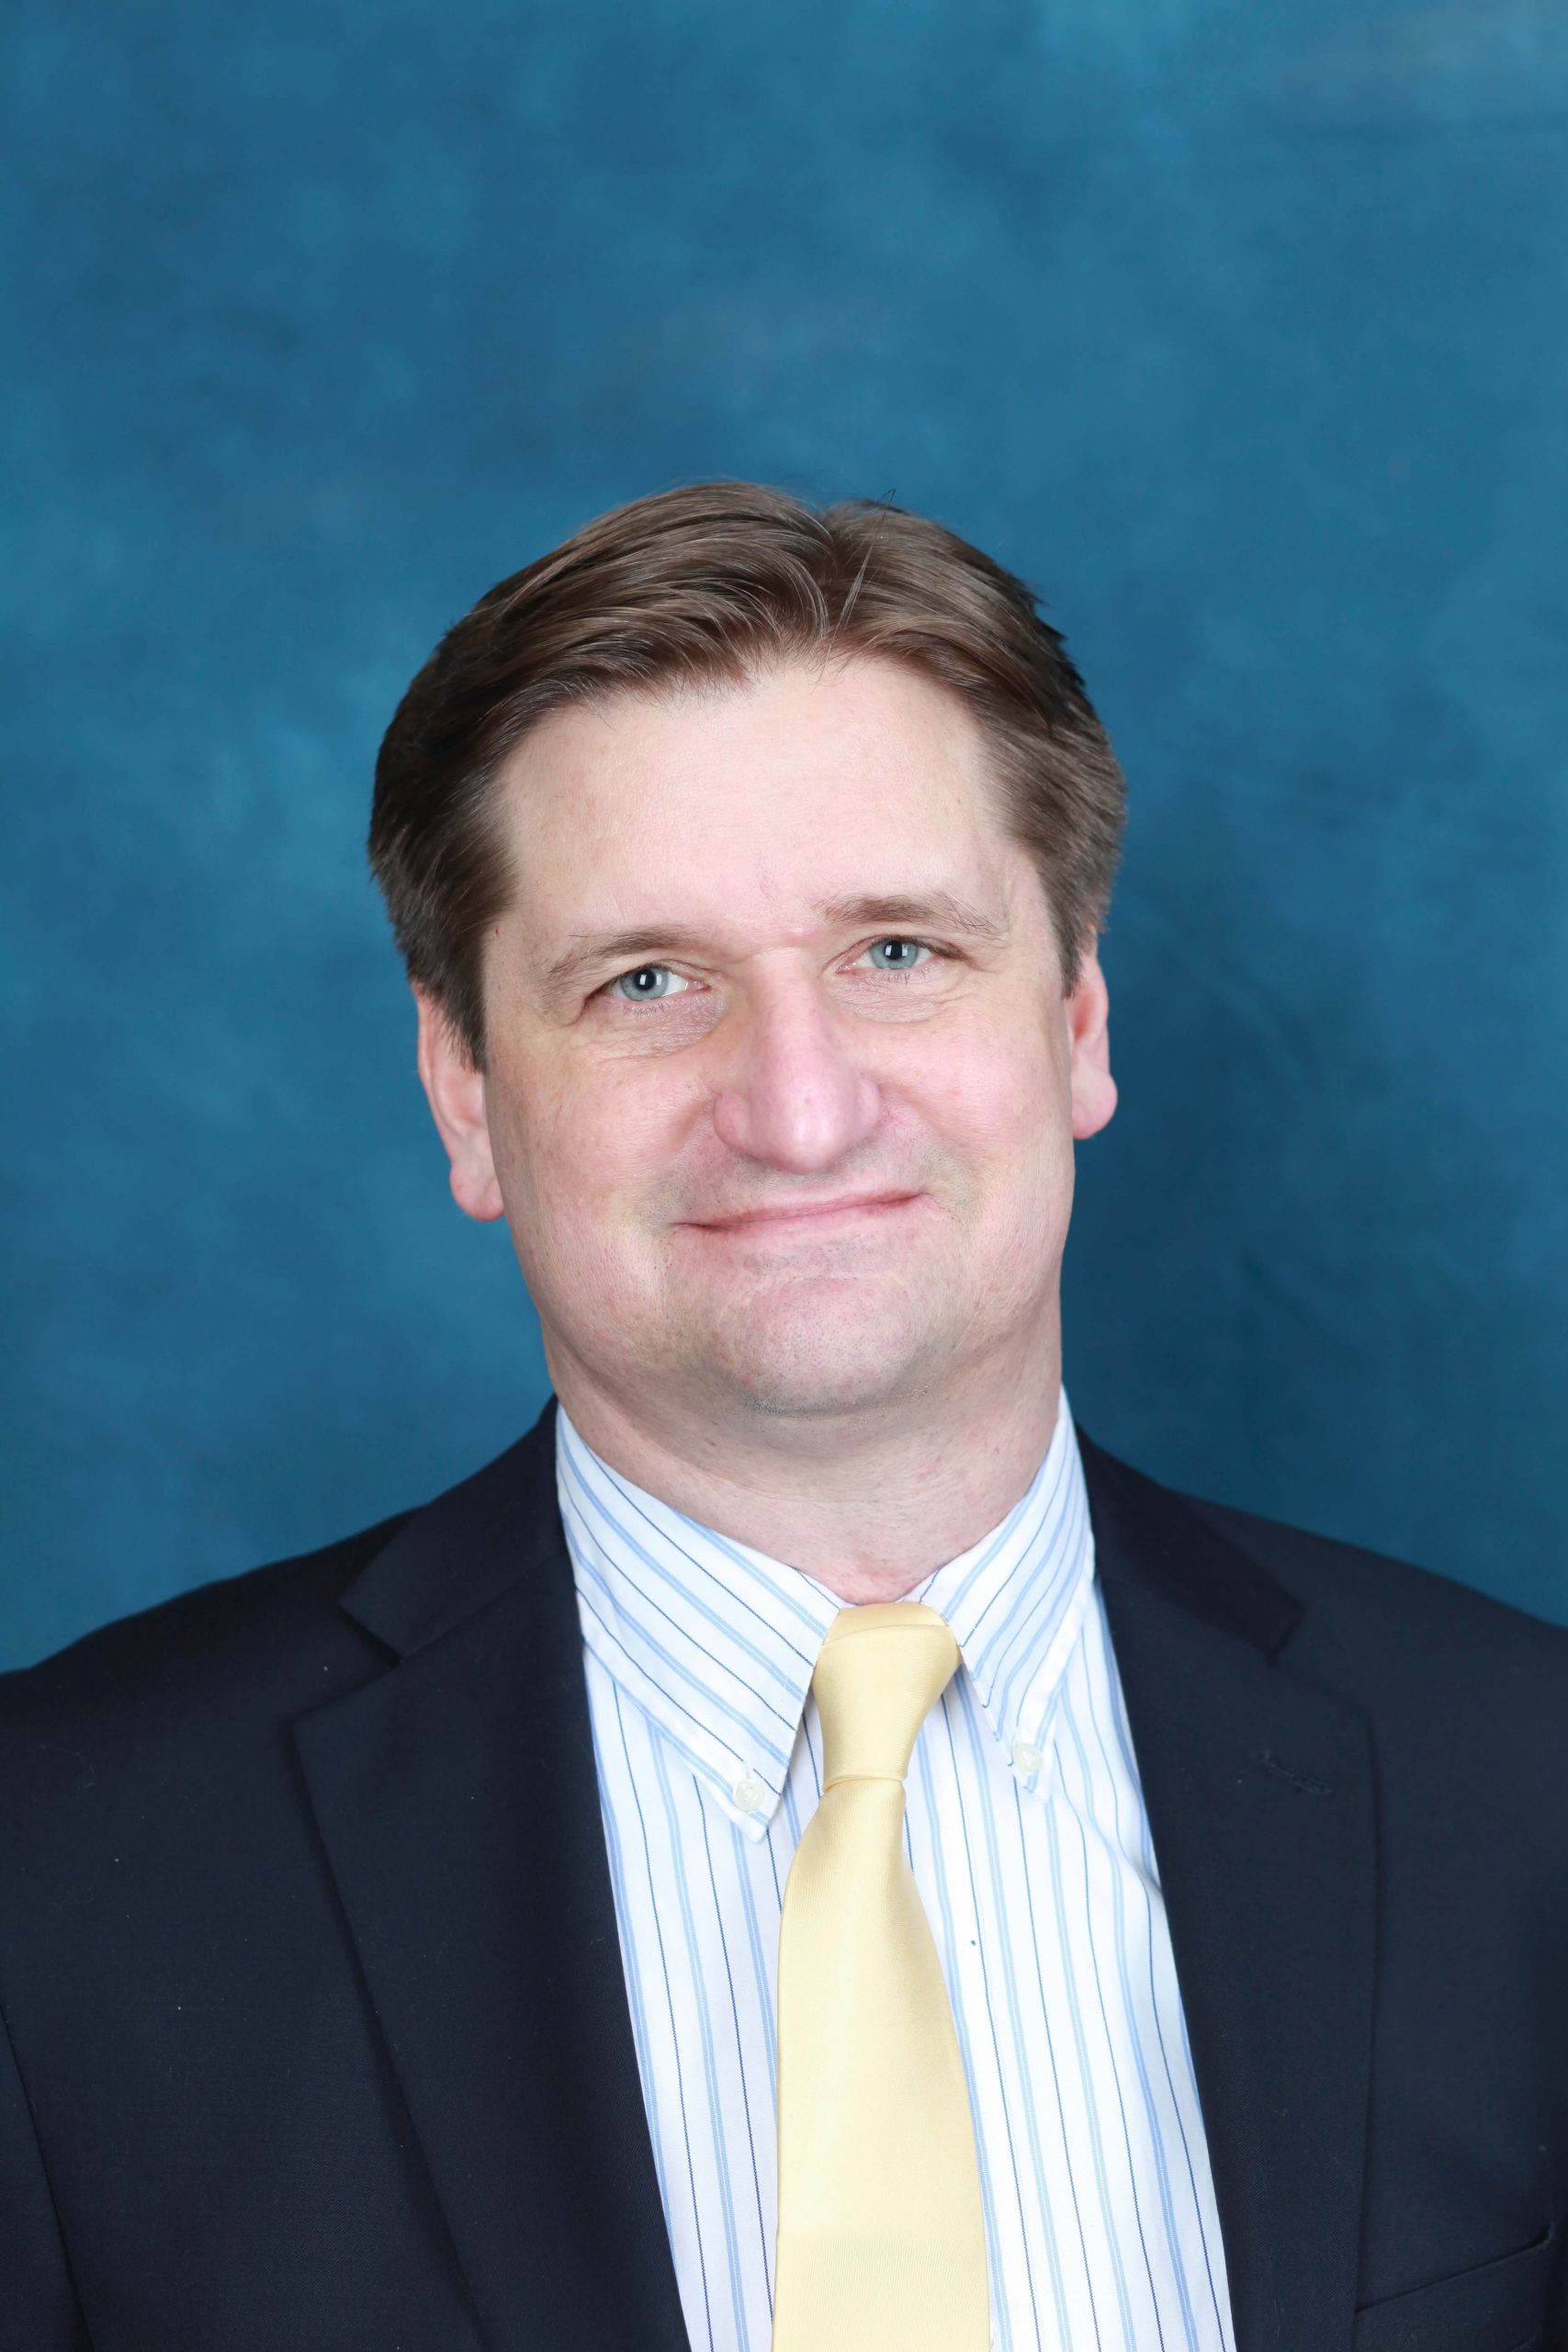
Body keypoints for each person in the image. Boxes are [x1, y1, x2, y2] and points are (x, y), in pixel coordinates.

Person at [1, 483, 1563, 2352]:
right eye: (646, 981)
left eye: (895, 951)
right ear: (466, 1090)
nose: (799, 1108)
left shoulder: (1520, 1788)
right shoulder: (61, 1866)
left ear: (1070, 1017)